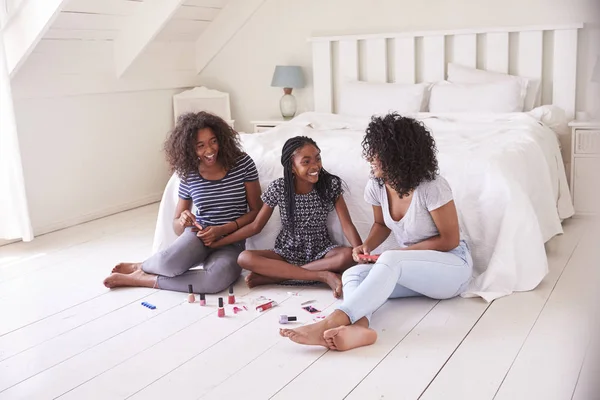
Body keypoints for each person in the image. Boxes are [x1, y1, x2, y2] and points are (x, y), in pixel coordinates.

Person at [280, 113, 473, 350]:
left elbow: (450, 240)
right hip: (413, 271)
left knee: (392, 257)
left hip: (452, 269)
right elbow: (381, 225)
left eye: (377, 152)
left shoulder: (431, 186)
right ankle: (360, 328)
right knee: (353, 275)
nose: (370, 157)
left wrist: (401, 255)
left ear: (397, 154)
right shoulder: (377, 185)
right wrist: (367, 246)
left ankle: (330, 321)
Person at [103, 112, 262, 293]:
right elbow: (177, 227)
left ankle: (142, 277)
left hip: (232, 242)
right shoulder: (189, 173)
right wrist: (183, 221)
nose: (209, 150)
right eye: (200, 145)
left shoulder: (242, 163)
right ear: (190, 149)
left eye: (213, 141)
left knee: (215, 282)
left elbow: (256, 211)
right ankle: (143, 265)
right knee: (167, 264)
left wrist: (222, 230)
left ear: (221, 139)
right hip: (199, 237)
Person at [209, 136, 362, 298]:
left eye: (318, 158)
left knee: (347, 255)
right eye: (306, 161)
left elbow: (347, 225)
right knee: (244, 258)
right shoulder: (279, 188)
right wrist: (220, 242)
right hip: (286, 252)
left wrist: (361, 251)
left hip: (321, 250)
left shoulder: (330, 185)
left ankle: (276, 276)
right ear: (291, 167)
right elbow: (256, 226)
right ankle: (321, 275)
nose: (315, 165)